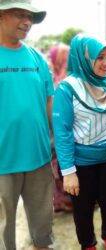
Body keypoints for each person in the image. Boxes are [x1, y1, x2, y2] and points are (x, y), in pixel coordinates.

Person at [52, 34, 106, 250]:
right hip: (80, 163)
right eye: (99, 57)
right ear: (83, 58)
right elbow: (63, 132)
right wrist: (68, 171)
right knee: (83, 207)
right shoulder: (67, 88)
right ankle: (88, 244)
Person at [0, 1, 54, 249]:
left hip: (38, 158)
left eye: (30, 16)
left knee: (43, 225)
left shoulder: (38, 59)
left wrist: (62, 139)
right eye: (20, 14)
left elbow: (49, 103)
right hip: (3, 162)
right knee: (2, 229)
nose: (27, 22)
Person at [48, 43, 73, 213]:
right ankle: (63, 201)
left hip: (58, 131)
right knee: (60, 165)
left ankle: (62, 201)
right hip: (59, 131)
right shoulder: (59, 80)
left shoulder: (59, 80)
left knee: (60, 165)